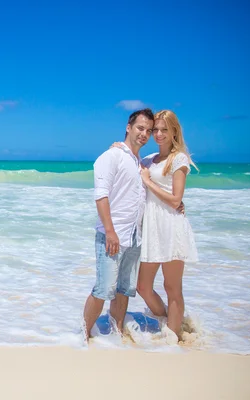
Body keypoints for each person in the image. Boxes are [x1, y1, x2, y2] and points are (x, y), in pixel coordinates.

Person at [83, 108, 154, 338]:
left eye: (149, 131)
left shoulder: (140, 163)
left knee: (124, 289)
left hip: (134, 236)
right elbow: (101, 195)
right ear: (128, 127)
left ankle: (117, 332)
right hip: (112, 235)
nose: (144, 134)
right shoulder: (111, 156)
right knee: (103, 289)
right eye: (140, 128)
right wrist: (111, 232)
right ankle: (82, 336)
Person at [136, 110, 198, 342]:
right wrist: (117, 147)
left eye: (164, 130)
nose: (159, 134)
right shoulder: (149, 159)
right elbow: (129, 159)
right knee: (143, 286)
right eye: (156, 130)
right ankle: (169, 321)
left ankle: (173, 338)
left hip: (171, 226)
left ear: (174, 131)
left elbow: (175, 199)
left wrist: (148, 181)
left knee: (172, 287)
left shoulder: (179, 159)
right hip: (151, 227)